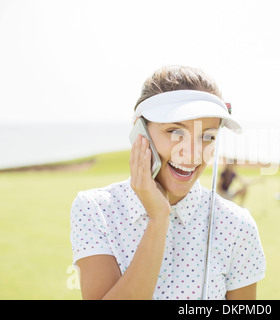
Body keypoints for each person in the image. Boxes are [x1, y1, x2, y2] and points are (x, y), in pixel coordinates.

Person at [70, 65, 266, 300]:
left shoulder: (237, 225)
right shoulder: (95, 209)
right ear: (140, 132)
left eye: (208, 137)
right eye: (175, 132)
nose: (193, 155)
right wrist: (158, 219)